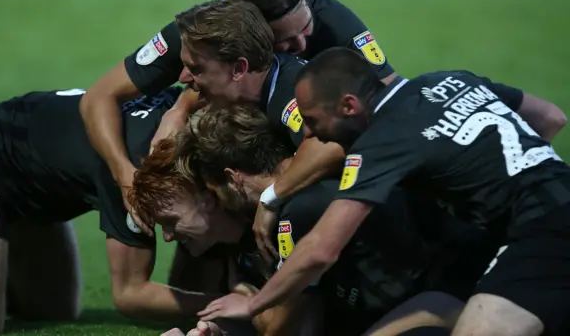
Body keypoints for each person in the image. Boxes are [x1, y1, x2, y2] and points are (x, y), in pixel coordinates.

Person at [198, 47, 569, 336]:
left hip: (540, 233)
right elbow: (550, 117)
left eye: (312, 121)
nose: (309, 136)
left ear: (349, 105)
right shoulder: (450, 80)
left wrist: (254, 304)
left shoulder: (381, 142)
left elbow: (323, 247)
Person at [79, 0, 396, 244]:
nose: (301, 45)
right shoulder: (203, 34)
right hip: (278, 115)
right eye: (281, 40)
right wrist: (126, 172)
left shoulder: (334, 25)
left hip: (325, 134)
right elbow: (98, 97)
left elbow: (387, 111)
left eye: (306, 27)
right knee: (207, 151)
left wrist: (275, 192)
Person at [131, 106, 489, 335]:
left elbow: (281, 328)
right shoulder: (259, 222)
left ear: (232, 178)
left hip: (456, 295)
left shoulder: (299, 210)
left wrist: (244, 296)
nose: (166, 237)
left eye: (171, 221)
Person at [0, 86, 222, 334]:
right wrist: (226, 303)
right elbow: (130, 294)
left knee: (53, 309)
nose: (169, 236)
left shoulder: (189, 131)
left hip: (37, 190)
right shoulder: (136, 169)